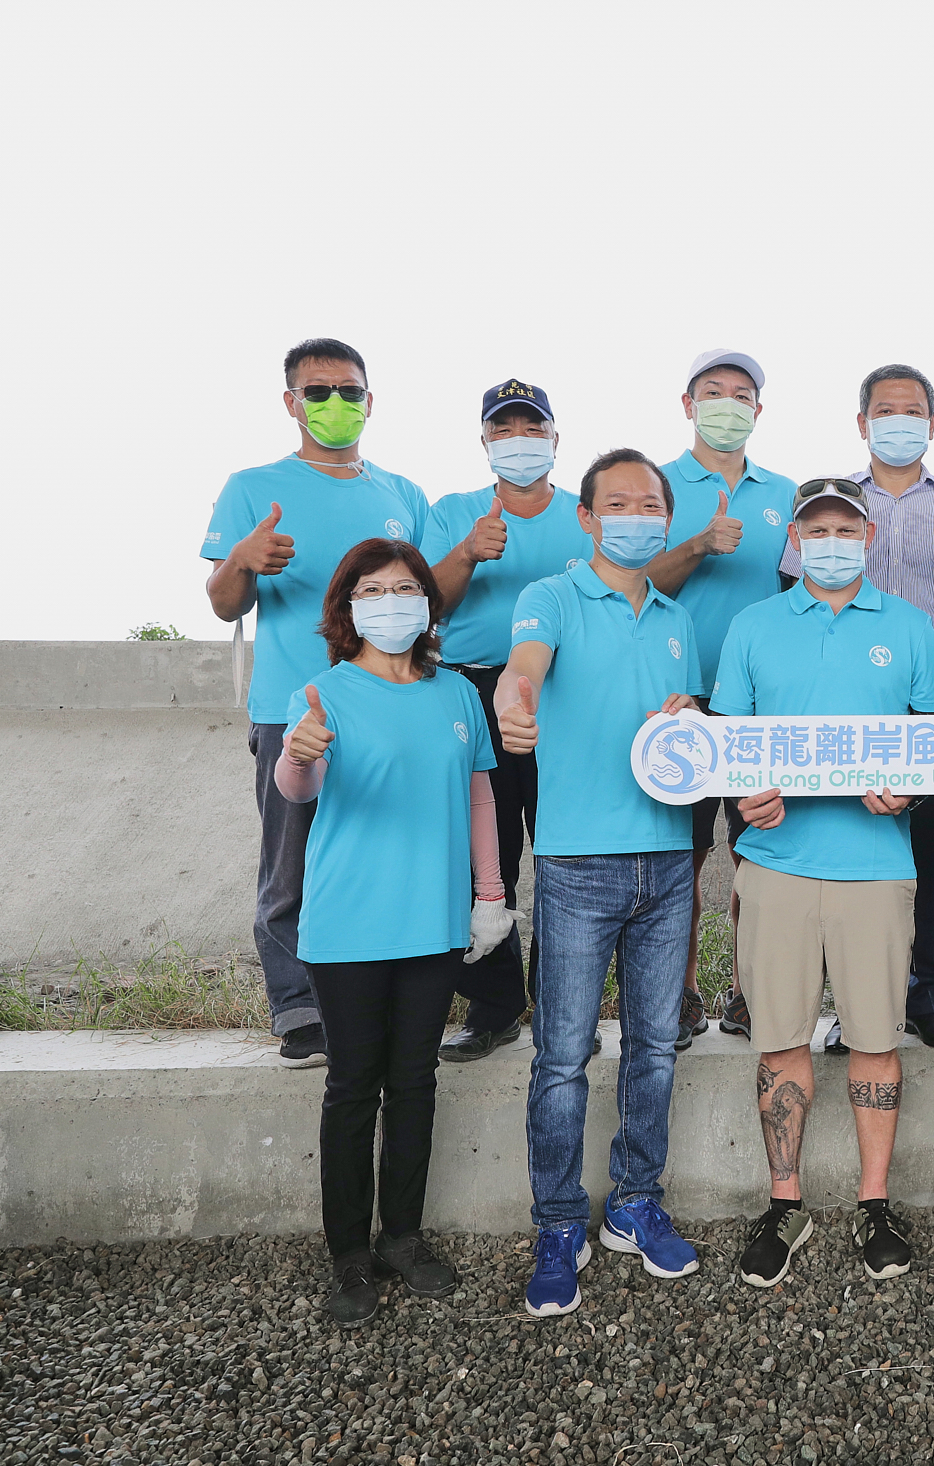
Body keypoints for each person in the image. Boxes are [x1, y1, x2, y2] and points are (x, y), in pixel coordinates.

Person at [711, 478, 934, 1289]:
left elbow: (932, 738)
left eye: (845, 527)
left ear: (869, 535)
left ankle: (874, 1203)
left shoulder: (912, 627)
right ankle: (786, 1203)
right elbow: (730, 746)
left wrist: (911, 788)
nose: (832, 541)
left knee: (876, 1042)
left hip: (877, 868)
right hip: (776, 865)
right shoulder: (753, 626)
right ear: (795, 539)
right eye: (815, 528)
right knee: (780, 1039)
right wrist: (741, 791)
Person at [271, 539, 510, 1325]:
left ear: (429, 605)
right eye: (371, 591)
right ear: (347, 609)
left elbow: (480, 798)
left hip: (434, 922)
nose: (391, 602)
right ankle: (349, 1256)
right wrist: (297, 757)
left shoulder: (456, 695)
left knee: (414, 1083)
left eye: (406, 588)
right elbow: (296, 784)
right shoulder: (324, 692)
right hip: (346, 925)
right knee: (351, 1088)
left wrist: (490, 894)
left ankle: (402, 1238)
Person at [497, 449, 708, 1319]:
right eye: (616, 503)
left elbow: (687, 723)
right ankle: (557, 1224)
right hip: (577, 863)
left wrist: (691, 718)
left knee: (655, 1047)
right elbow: (525, 667)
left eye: (649, 503)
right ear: (586, 518)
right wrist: (515, 695)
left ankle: (633, 1202)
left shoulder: (676, 617)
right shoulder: (549, 597)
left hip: (668, 860)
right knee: (562, 1057)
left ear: (667, 514)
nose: (635, 515)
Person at [203, 339, 432, 1068]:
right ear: (291, 402)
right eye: (319, 391)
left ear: (372, 399)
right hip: (293, 708)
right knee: (290, 859)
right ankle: (298, 1006)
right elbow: (221, 604)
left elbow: (427, 600)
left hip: (392, 705)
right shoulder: (252, 486)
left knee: (386, 853)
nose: (337, 403)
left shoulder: (404, 495)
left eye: (350, 390)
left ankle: (379, 989)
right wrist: (242, 560)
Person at [781, 364, 934, 1053]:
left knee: (932, 854)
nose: (898, 420)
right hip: (852, 687)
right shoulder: (838, 502)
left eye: (912, 410)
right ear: (863, 421)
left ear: (931, 426)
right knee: (860, 845)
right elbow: (794, 588)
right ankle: (853, 1005)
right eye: (885, 409)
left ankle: (927, 997)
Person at [421, 378, 594, 1063]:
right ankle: (493, 1008)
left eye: (532, 428)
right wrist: (466, 552)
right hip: (470, 691)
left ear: (554, 438)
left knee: (564, 846)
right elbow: (423, 605)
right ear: (486, 441)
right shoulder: (455, 510)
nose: (519, 440)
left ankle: (558, 1003)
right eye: (504, 430)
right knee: (481, 854)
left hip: (564, 696)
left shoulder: (586, 514)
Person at [648, 349, 801, 1045]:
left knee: (755, 853)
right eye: (714, 391)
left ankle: (747, 992)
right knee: (678, 855)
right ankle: (676, 995)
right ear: (688, 403)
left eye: (743, 394)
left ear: (759, 411)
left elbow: (802, 596)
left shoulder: (786, 493)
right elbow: (635, 585)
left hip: (756, 706)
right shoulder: (656, 487)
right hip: (675, 700)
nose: (729, 403)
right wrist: (699, 544)